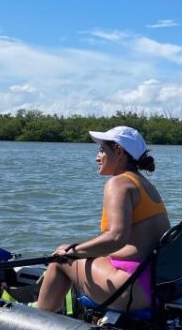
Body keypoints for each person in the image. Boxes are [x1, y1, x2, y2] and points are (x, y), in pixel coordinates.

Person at [36, 126, 170, 312]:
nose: (97, 157)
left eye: (101, 150)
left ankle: (39, 317)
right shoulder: (146, 184)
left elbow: (116, 237)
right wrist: (82, 251)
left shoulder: (119, 183)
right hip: (156, 285)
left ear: (119, 152)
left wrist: (73, 252)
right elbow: (135, 245)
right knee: (75, 252)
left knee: (59, 260)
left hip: (131, 288)